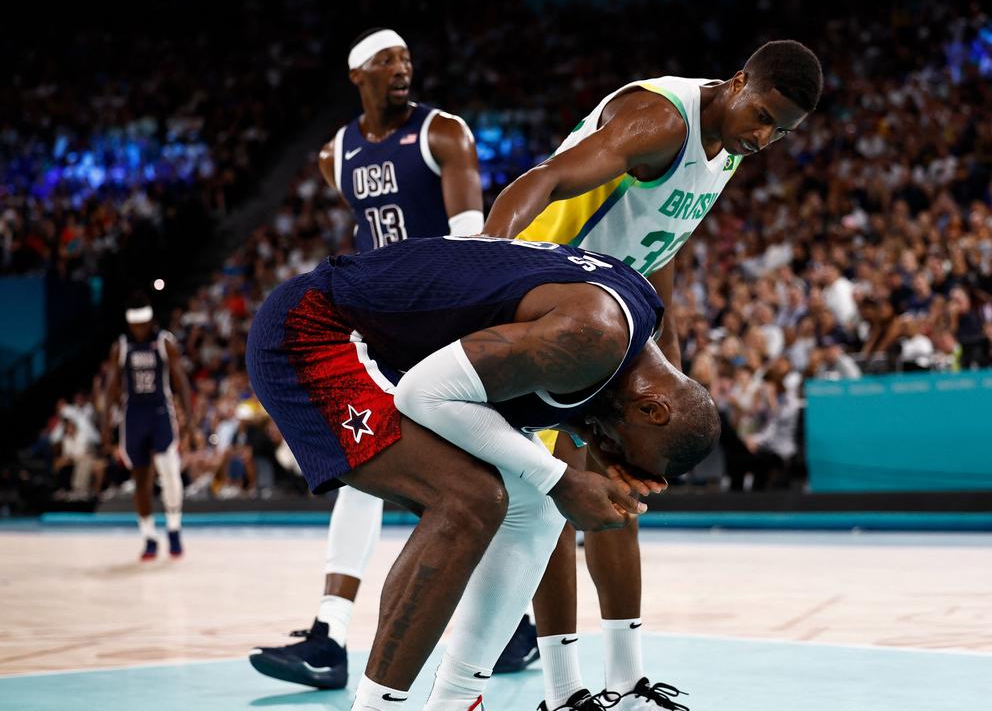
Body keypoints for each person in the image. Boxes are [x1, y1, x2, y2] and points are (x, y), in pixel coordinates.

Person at [483, 39, 820, 711]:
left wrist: (666, 356)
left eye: (779, 132)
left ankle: (626, 679)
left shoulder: (728, 147)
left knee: (620, 498)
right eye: (760, 116)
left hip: (608, 315)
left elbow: (659, 246)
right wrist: (481, 263)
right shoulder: (661, 120)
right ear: (737, 81)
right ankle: (561, 690)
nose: (762, 136)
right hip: (540, 306)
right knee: (559, 502)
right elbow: (545, 178)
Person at [245, 235, 720, 711]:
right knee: (470, 500)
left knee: (536, 509)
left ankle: (456, 701)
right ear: (653, 409)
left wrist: (577, 444)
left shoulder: (636, 312)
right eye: (626, 449)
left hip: (381, 343)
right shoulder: (590, 336)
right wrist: (563, 478)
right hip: (312, 331)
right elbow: (422, 395)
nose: (612, 452)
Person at [248, 27, 514, 690]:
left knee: (478, 475)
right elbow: (369, 232)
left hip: (443, 318)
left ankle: (509, 627)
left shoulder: (442, 133)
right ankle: (330, 636)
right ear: (358, 73)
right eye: (388, 60)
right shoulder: (334, 153)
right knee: (361, 463)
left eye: (407, 59)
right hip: (379, 321)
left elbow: (471, 241)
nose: (404, 67)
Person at [100, 293, 195, 560]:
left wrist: (189, 418)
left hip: (160, 411)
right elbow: (110, 389)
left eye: (144, 324)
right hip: (133, 415)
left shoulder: (164, 342)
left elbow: (181, 381)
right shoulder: (121, 347)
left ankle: (174, 529)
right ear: (130, 323)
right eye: (136, 325)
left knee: (170, 471)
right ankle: (149, 535)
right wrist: (106, 423)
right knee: (140, 478)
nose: (140, 329)